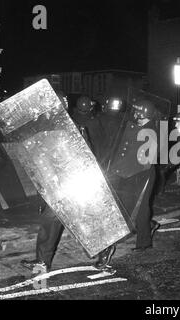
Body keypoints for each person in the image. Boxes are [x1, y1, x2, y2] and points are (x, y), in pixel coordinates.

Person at [21, 94, 115, 272]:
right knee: (51, 221)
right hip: (57, 185)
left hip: (71, 184)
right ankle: (42, 261)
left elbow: (85, 156)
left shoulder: (73, 128)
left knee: (79, 220)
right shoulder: (48, 127)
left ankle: (104, 248)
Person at [105, 99, 161, 252]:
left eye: (137, 111)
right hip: (128, 173)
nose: (135, 114)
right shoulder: (138, 126)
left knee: (141, 209)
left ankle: (144, 243)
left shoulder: (151, 131)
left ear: (144, 113)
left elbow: (141, 158)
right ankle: (149, 226)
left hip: (142, 174)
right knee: (125, 206)